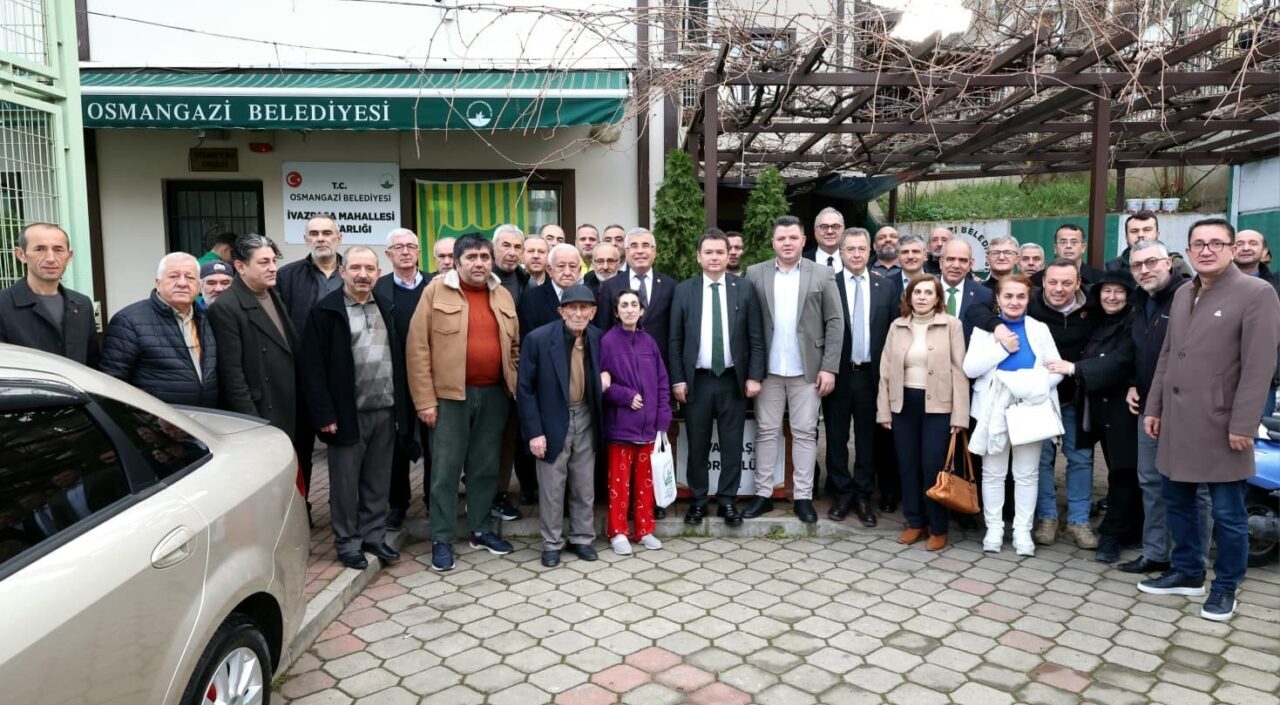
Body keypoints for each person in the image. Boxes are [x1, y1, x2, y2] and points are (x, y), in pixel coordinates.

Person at [1139, 218, 1280, 621]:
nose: (1206, 250)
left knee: (1228, 514)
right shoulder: (1184, 292)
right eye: (1198, 243)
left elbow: (1259, 365)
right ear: (1187, 251)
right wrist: (1154, 407)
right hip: (1177, 421)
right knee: (1178, 502)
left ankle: (1225, 587)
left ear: (1232, 250)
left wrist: (1243, 423)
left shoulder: (1257, 293)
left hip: (1222, 424)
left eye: (1216, 243)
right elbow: (1169, 355)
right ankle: (1187, 572)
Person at [406, 233, 519, 572]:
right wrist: (425, 401)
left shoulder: (502, 294)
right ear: (456, 262)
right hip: (449, 397)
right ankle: (441, 538)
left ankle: (480, 529)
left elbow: (514, 345)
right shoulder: (434, 292)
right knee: (445, 469)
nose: (479, 263)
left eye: (484, 257)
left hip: (494, 394)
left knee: (485, 467)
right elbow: (417, 349)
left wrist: (512, 382)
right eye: (471, 257)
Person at [301, 246, 407, 570]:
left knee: (378, 480)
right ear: (343, 271)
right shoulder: (325, 312)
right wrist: (324, 414)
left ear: (378, 273)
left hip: (385, 410)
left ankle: (373, 535)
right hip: (347, 414)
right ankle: (347, 542)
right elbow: (312, 369)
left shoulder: (387, 307)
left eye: (369, 269)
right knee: (345, 485)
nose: (363, 274)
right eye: (356, 268)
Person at [743, 216, 843, 523]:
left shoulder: (822, 273)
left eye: (793, 237)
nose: (787, 243)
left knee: (804, 433)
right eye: (781, 238)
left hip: (807, 370)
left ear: (803, 241)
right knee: (766, 432)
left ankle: (803, 497)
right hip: (768, 371)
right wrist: (751, 371)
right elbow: (746, 324)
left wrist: (829, 368)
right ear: (773, 242)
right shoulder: (755, 273)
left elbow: (835, 321)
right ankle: (763, 494)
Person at [1120, 238, 1209, 575]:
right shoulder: (1139, 300)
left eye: (1151, 262)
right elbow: (1141, 350)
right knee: (1151, 482)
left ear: (1168, 262)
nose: (1145, 270)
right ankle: (1156, 552)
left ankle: (1191, 562)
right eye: (1137, 265)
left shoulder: (1191, 296)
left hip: (1187, 408)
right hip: (1148, 406)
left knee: (1195, 488)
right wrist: (1133, 383)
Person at [670, 230, 766, 526]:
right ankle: (698, 501)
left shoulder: (744, 289)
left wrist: (755, 376)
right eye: (708, 252)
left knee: (732, 444)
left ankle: (727, 501)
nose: (714, 257)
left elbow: (756, 337)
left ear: (729, 255)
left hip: (732, 381)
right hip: (697, 381)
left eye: (720, 252)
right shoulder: (684, 290)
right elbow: (675, 340)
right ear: (699, 257)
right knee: (697, 444)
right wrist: (678, 379)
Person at [965, 274, 1064, 557]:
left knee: (1027, 474)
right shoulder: (985, 330)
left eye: (1021, 296)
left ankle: (1022, 531)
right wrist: (1002, 348)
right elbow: (971, 368)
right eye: (1008, 296)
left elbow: (1055, 368)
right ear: (997, 299)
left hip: (1028, 408)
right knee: (993, 473)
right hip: (992, 410)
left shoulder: (1039, 329)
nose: (1014, 302)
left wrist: (1027, 386)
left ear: (1028, 299)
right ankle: (994, 528)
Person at [1048, 271, 1139, 563]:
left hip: (1122, 407)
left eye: (1119, 291)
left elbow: (1123, 359)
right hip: (1094, 406)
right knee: (1110, 468)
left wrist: (1074, 368)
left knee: (1123, 471)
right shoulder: (1098, 319)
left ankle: (1114, 535)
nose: (1112, 297)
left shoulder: (1134, 321)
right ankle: (1127, 528)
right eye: (1106, 291)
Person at [877, 275, 969, 550]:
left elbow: (960, 371)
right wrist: (884, 411)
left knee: (932, 467)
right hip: (903, 405)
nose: (922, 297)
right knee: (907, 466)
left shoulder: (951, 325)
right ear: (909, 296)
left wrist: (960, 415)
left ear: (938, 297)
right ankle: (915, 522)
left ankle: (938, 527)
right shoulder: (898, 326)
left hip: (938, 407)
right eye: (917, 292)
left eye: (929, 292)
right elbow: (885, 370)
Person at [518, 285, 605, 568]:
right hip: (552, 418)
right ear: (561, 311)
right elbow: (525, 389)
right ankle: (552, 543)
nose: (578, 313)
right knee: (552, 487)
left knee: (584, 484)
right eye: (572, 308)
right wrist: (534, 432)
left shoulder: (597, 338)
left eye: (584, 308)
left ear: (593, 312)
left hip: (586, 416)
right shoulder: (538, 339)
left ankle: (581, 539)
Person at [825, 228, 900, 526]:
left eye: (861, 249)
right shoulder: (828, 284)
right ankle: (842, 493)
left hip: (872, 376)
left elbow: (894, 334)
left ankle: (863, 495)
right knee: (836, 437)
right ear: (841, 253)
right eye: (850, 249)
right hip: (839, 374)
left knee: (868, 440)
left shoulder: (887, 287)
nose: (856, 254)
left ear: (870, 251)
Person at [1026, 259, 1099, 548]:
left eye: (1067, 283)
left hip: (1077, 397)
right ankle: (1047, 518)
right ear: (1043, 282)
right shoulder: (1029, 304)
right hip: (1041, 398)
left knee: (1081, 459)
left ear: (1078, 283)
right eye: (1053, 282)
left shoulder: (1094, 307)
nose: (1059, 289)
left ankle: (1079, 522)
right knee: (1042, 459)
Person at [276, 214, 344, 504]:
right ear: (305, 239)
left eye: (327, 233)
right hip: (301, 378)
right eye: (314, 233)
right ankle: (301, 509)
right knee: (300, 450)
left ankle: (342, 507)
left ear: (338, 238)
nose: (321, 238)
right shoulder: (287, 277)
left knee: (344, 451)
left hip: (342, 376)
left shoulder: (352, 272)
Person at [600, 289, 672, 554]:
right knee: (619, 484)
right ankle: (618, 532)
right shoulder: (608, 342)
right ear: (616, 311)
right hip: (621, 428)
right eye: (624, 305)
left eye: (634, 305)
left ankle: (645, 530)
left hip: (649, 429)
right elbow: (600, 383)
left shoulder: (649, 343)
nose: (629, 309)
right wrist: (625, 396)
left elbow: (662, 382)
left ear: (641, 310)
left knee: (645, 483)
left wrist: (662, 419)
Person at [208, 235, 298, 438]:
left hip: (289, 404)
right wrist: (254, 424)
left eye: (274, 261)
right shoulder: (226, 307)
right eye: (264, 262)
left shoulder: (273, 294)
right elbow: (232, 375)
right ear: (240, 267)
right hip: (262, 413)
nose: (273, 268)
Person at [99, 253, 218, 407]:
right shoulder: (129, 321)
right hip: (156, 418)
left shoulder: (207, 318)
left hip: (207, 415)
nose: (182, 283)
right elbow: (113, 383)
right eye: (173, 276)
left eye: (190, 278)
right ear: (158, 283)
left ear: (199, 285)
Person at [376, 228, 431, 531]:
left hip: (431, 376)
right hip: (393, 376)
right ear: (389, 255)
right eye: (399, 247)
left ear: (419, 252)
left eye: (411, 246)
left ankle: (433, 499)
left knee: (435, 442)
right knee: (396, 443)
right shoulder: (379, 288)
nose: (406, 252)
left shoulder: (436, 284)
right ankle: (397, 503)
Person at [0, 223, 99, 367]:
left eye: (58, 250)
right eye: (40, 249)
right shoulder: (3, 304)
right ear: (21, 255)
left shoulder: (82, 304)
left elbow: (92, 365)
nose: (51, 258)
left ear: (69, 256)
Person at [596, 227, 676, 370]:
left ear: (654, 251)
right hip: (621, 367)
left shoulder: (670, 286)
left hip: (659, 367)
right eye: (634, 246)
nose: (640, 251)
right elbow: (604, 329)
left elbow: (675, 334)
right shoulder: (610, 286)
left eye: (645, 245)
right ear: (626, 252)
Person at [1234, 228, 1280, 416]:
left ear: (1264, 251)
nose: (1245, 248)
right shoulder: (1212, 285)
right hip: (1217, 378)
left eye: (1253, 243)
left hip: (1263, 382)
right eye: (1239, 244)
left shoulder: (1276, 287)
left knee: (1254, 430)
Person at [519, 244, 583, 343]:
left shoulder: (587, 297)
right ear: (549, 269)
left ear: (579, 270)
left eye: (572, 266)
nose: (567, 272)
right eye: (561, 266)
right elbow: (528, 340)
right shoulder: (532, 298)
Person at [940, 239, 996, 344]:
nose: (956, 265)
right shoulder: (924, 290)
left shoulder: (985, 295)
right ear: (941, 263)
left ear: (970, 265)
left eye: (962, 260)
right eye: (950, 259)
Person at [1032, 224, 1104, 288]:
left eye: (1074, 242)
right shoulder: (1036, 280)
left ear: (1083, 247)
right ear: (1055, 248)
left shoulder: (1100, 279)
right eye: (1063, 242)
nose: (1068, 246)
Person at [492, 224, 529, 307]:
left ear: (522, 252)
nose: (512, 253)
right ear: (493, 248)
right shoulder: (480, 279)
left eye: (517, 247)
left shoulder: (527, 281)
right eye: (506, 246)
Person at [803, 207, 845, 275]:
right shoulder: (801, 261)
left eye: (835, 226)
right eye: (824, 227)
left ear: (843, 229)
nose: (830, 231)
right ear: (815, 231)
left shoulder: (854, 259)